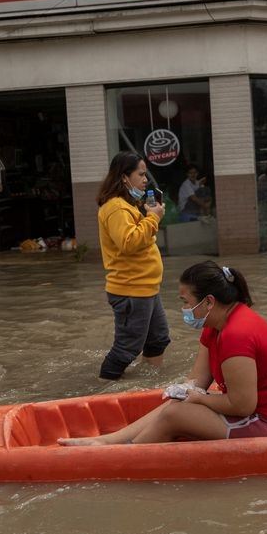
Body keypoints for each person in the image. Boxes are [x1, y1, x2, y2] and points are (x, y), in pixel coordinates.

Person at [59, 261, 267, 445]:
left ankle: (121, 456)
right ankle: (108, 441)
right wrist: (186, 391)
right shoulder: (216, 327)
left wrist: (199, 399)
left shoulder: (236, 335)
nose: (184, 309)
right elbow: (197, 382)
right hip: (255, 414)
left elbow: (242, 406)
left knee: (176, 414)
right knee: (177, 402)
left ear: (209, 302)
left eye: (187, 302)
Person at [95, 151, 170, 380]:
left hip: (145, 287)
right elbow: (129, 243)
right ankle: (101, 392)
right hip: (131, 289)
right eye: (141, 174)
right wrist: (153, 218)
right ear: (124, 177)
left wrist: (150, 215)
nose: (145, 180)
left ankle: (149, 384)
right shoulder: (116, 207)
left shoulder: (128, 204)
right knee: (126, 349)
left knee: (158, 338)